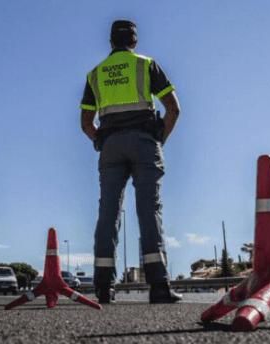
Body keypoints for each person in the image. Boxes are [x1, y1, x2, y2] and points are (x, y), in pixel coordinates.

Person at [80, 20, 182, 304]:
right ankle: (159, 285)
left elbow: (86, 122)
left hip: (110, 147)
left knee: (108, 212)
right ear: (134, 42)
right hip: (143, 142)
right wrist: (160, 139)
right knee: (149, 210)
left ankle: (103, 287)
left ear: (111, 42)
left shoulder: (95, 74)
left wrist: (99, 140)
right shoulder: (146, 64)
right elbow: (173, 108)